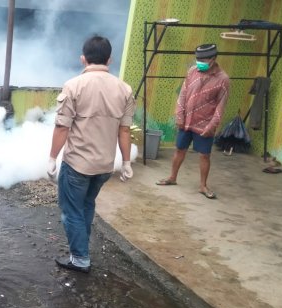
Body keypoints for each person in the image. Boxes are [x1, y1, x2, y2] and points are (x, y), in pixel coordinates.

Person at [47, 35, 135, 273]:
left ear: (83, 59)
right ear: (110, 59)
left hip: (77, 164)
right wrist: (126, 162)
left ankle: (80, 258)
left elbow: (62, 127)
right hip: (105, 166)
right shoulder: (124, 89)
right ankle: (82, 248)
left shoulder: (74, 86)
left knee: (72, 211)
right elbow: (125, 129)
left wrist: (52, 158)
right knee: (86, 206)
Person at [156, 44, 229, 199]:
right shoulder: (192, 71)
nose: (200, 62)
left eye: (204, 59)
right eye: (198, 59)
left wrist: (212, 126)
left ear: (213, 59)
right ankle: (172, 178)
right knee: (179, 149)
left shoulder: (223, 79)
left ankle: (203, 186)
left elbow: (220, 107)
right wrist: (179, 115)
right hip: (186, 121)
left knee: (204, 155)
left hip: (205, 124)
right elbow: (183, 94)